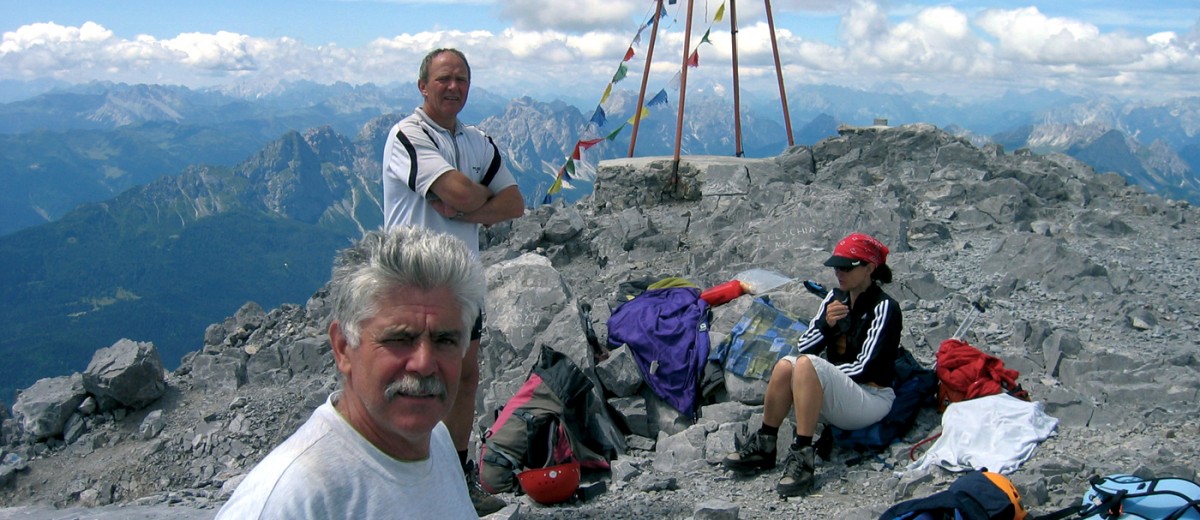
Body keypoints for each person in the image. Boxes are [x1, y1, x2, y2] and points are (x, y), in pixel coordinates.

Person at [215, 226, 485, 518]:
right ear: (343, 347)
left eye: (445, 340)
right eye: (399, 339)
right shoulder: (292, 499)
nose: (423, 363)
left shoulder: (437, 440)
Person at [381, 47, 523, 515]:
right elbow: (469, 191)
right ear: (423, 85)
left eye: (461, 79)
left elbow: (515, 203)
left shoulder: (478, 141)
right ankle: (407, 484)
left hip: (462, 283)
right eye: (443, 78)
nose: (453, 86)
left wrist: (462, 207)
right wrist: (475, 201)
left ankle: (456, 480)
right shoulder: (408, 134)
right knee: (411, 383)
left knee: (464, 378)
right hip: (413, 283)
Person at [722, 232, 902, 497]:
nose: (838, 273)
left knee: (806, 366)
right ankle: (765, 444)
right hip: (839, 394)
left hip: (871, 397)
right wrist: (826, 327)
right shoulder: (834, 299)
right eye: (836, 267)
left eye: (846, 267)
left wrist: (815, 377)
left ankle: (803, 455)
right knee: (787, 364)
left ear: (870, 268)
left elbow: (866, 367)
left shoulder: (885, 307)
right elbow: (804, 345)